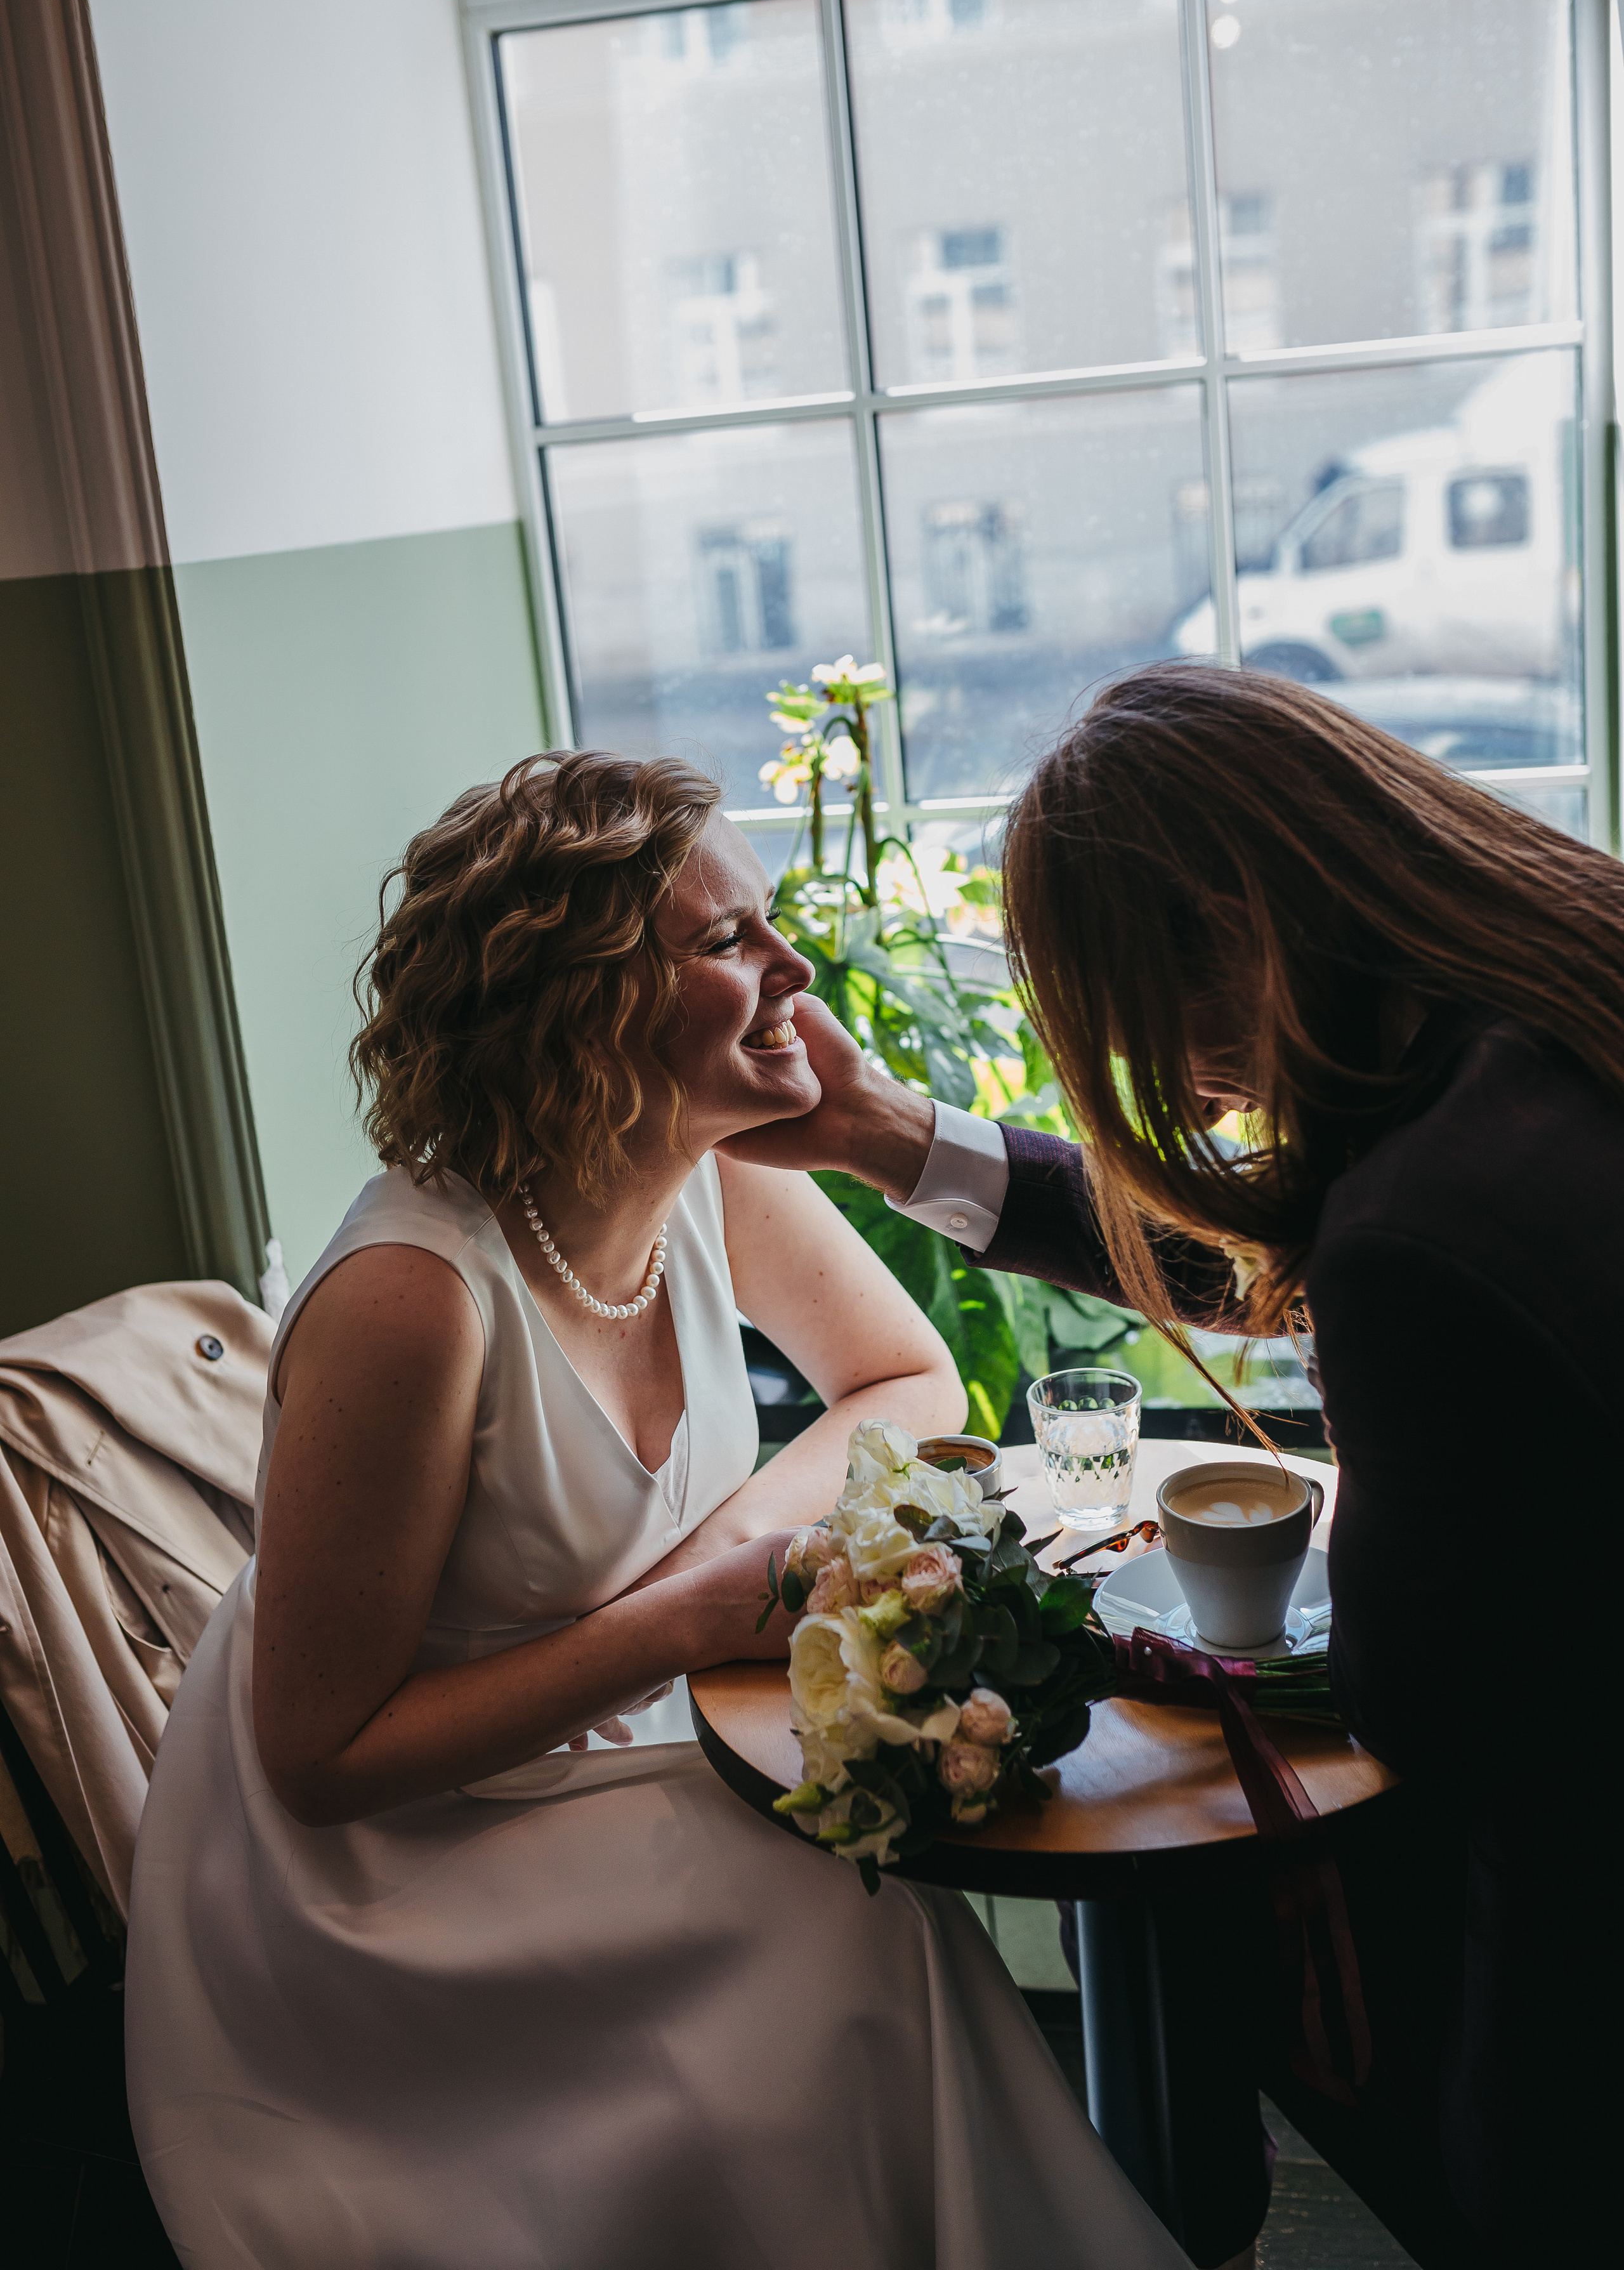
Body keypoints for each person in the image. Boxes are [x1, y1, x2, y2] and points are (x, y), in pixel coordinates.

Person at [124, 751, 1188, 2270]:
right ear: (583, 1006)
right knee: (846, 1928)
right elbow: (318, 1763)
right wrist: (680, 1624)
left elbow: (906, 1381)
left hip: (615, 1731)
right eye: (728, 940)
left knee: (868, 1896)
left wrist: (703, 1569)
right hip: (394, 1865)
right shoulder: (411, 1301)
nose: (793, 966)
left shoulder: (708, 1166)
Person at [727, 665, 1617, 2269]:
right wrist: (887, 1136)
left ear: (1229, 929)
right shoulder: (1540, 994)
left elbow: (1415, 1698)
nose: (1178, 1086)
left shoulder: (1419, 1219)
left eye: (1141, 1013)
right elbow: (1301, 1237)